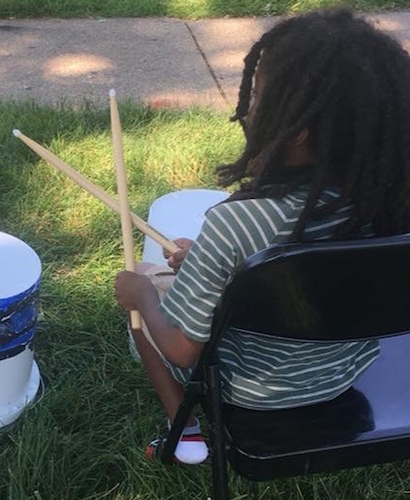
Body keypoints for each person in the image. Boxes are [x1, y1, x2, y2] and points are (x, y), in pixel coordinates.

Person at [115, 9, 410, 465]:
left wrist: (142, 298)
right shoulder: (390, 206)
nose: (248, 110)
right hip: (340, 373)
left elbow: (181, 349)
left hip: (253, 390)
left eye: (256, 97)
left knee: (143, 288)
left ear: (297, 129)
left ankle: (186, 432)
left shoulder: (235, 224)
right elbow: (312, 277)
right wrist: (206, 262)